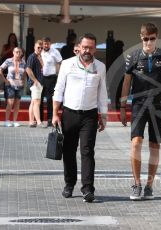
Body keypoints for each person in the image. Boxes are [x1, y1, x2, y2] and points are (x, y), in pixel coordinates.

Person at [120, 23, 161, 200]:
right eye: (145, 38)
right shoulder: (132, 57)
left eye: (152, 38)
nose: (149, 42)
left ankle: (149, 186)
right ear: (140, 37)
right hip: (138, 106)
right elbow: (126, 83)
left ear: (157, 37)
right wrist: (122, 107)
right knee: (136, 143)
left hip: (158, 106)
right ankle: (136, 184)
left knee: (155, 145)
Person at [52, 33, 108, 203]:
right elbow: (59, 89)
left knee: (87, 151)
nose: (87, 50)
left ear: (95, 49)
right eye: (84, 47)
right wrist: (55, 113)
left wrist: (103, 115)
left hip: (89, 116)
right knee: (69, 150)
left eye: (90, 48)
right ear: (79, 47)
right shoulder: (67, 64)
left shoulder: (100, 67)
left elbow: (102, 93)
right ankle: (69, 184)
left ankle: (88, 189)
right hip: (69, 113)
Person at [0, 47, 26, 127]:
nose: (18, 54)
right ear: (13, 52)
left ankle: (14, 121)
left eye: (19, 52)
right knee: (10, 102)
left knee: (17, 103)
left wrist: (23, 80)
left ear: (21, 53)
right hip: (10, 84)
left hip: (19, 85)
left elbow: (24, 72)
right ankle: (6, 120)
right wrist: (5, 80)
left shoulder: (23, 62)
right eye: (16, 52)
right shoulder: (8, 61)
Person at [40, 37, 62, 127]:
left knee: (50, 99)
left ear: (50, 43)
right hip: (41, 78)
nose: (46, 45)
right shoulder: (39, 51)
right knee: (39, 99)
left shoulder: (55, 51)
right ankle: (40, 119)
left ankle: (50, 119)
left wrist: (59, 74)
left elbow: (61, 62)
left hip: (51, 78)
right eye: (44, 43)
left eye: (47, 43)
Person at [26, 40, 44, 128]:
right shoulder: (32, 57)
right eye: (38, 47)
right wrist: (35, 81)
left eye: (41, 48)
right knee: (37, 102)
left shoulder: (39, 57)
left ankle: (31, 121)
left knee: (33, 102)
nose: (40, 49)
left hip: (39, 82)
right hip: (35, 83)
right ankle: (39, 122)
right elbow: (28, 69)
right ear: (34, 47)